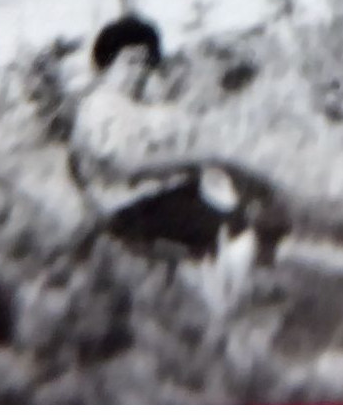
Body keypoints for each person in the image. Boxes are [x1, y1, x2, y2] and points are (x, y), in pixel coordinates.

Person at [69, 15, 291, 280]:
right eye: (129, 62)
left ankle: (249, 270)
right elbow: (126, 166)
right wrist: (195, 160)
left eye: (145, 63)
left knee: (254, 199)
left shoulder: (138, 109)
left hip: (155, 198)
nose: (138, 71)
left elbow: (185, 133)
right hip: (128, 207)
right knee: (232, 225)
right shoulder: (102, 106)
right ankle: (232, 290)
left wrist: (225, 167)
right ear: (106, 64)